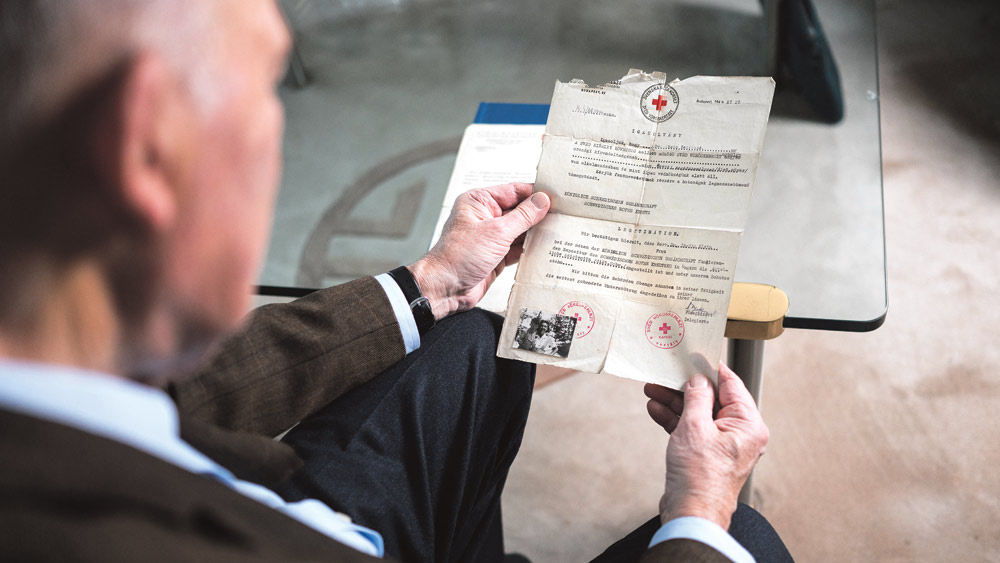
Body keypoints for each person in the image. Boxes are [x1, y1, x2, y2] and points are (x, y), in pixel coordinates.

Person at [0, 1, 791, 561]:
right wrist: (699, 510)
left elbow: (184, 396)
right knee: (742, 541)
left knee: (469, 334)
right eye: (263, 88)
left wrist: (431, 281)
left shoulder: (47, 384)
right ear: (145, 147)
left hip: (292, 504)